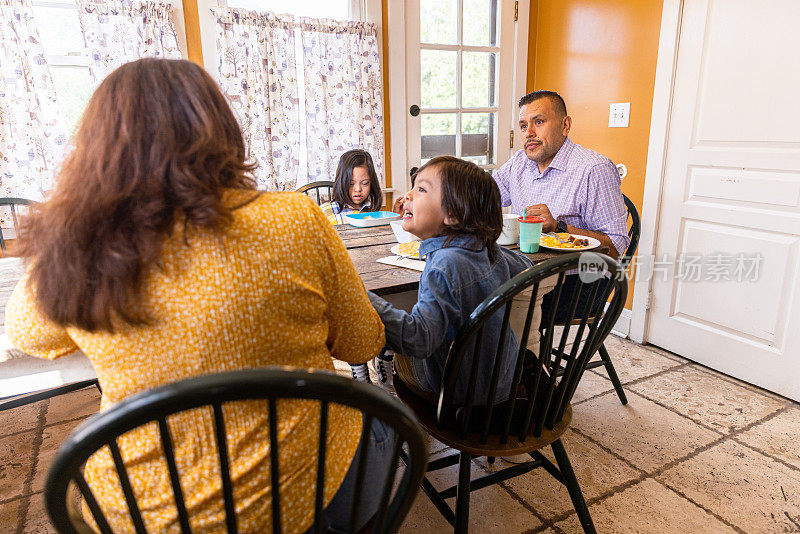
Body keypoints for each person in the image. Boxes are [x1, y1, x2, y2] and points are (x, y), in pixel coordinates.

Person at [5, 58, 390, 534]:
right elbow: (363, 344)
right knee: (383, 426)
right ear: (222, 131)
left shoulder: (77, 247)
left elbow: (29, 335)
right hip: (310, 495)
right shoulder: (296, 218)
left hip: (149, 517)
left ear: (96, 150)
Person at [368, 156, 533, 405]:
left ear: (453, 215)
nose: (407, 196)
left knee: (393, 343)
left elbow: (419, 340)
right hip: (503, 381)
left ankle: (386, 389)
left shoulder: (444, 266)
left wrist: (362, 297)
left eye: (421, 189)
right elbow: (527, 267)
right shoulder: (490, 249)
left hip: (458, 392)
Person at [493, 90, 630, 323]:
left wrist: (559, 227)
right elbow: (481, 197)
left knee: (491, 307)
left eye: (539, 122)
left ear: (565, 125)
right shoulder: (519, 162)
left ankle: (524, 358)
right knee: (467, 289)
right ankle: (518, 357)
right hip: (529, 272)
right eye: (524, 125)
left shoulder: (593, 169)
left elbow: (616, 247)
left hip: (580, 284)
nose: (529, 133)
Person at [320, 149, 383, 225]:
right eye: (351, 184)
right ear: (341, 183)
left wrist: (395, 217)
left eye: (365, 183)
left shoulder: (373, 210)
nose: (358, 189)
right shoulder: (323, 212)